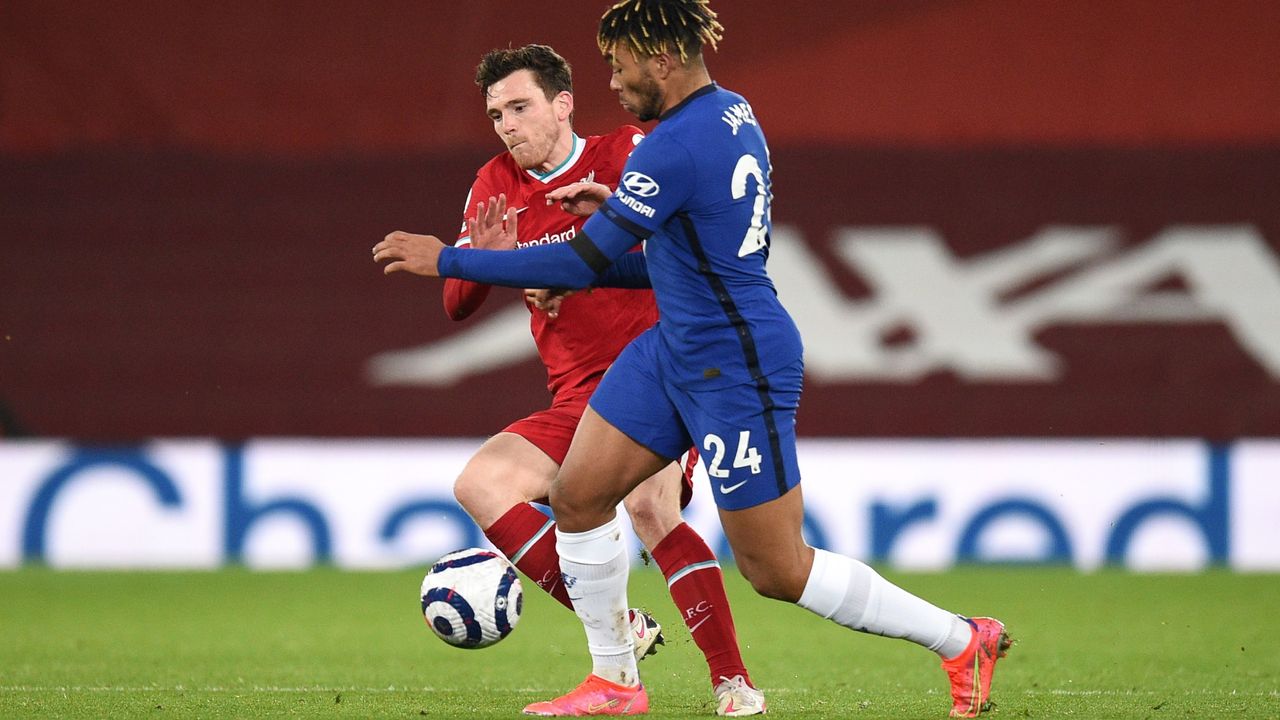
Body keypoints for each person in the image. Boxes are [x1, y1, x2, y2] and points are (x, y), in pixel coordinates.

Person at [374, 3, 1011, 717]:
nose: (612, 82)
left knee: (775, 569)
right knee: (580, 497)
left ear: (663, 60)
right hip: (673, 345)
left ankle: (961, 640)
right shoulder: (732, 113)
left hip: (735, 359)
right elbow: (656, 265)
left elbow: (587, 261)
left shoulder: (674, 144)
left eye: (619, 66)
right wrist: (613, 225)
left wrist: (449, 259)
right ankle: (616, 681)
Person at [430, 44, 766, 717]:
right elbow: (456, 304)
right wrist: (478, 263)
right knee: (481, 483)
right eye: (496, 114)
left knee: (649, 507)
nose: (506, 125)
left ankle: (733, 680)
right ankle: (621, 634)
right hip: (577, 397)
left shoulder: (630, 150)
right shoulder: (494, 184)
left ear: (562, 104)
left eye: (520, 107)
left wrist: (580, 254)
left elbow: (686, 246)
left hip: (656, 375)